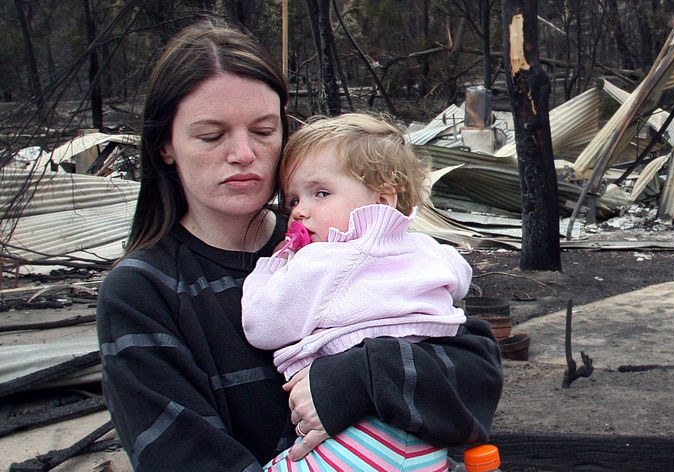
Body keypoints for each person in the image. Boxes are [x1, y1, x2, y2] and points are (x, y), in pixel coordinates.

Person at [95, 20, 504, 472]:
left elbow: (477, 382)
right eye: (211, 135)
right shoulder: (142, 292)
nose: (243, 154)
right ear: (165, 145)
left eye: (264, 131)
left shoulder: (341, 237)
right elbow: (183, 457)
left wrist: (360, 377)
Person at [241, 113, 473, 471]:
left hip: (357, 436)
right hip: (422, 429)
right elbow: (460, 276)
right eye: (292, 200)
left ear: (381, 201)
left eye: (320, 193)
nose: (300, 211)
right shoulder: (428, 250)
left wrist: (273, 266)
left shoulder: (322, 262)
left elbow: (262, 325)